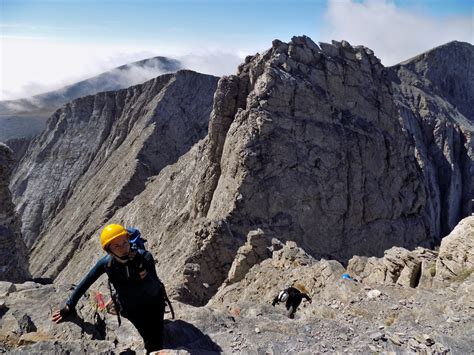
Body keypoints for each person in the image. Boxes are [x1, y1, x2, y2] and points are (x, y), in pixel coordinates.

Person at [52, 224, 166, 353]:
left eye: (124, 242)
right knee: (147, 335)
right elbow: (86, 282)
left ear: (129, 240)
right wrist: (70, 305)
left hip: (153, 306)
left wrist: (142, 272)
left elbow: (154, 291)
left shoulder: (145, 257)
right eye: (116, 246)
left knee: (154, 345)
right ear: (108, 249)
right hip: (130, 308)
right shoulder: (107, 263)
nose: (123, 248)